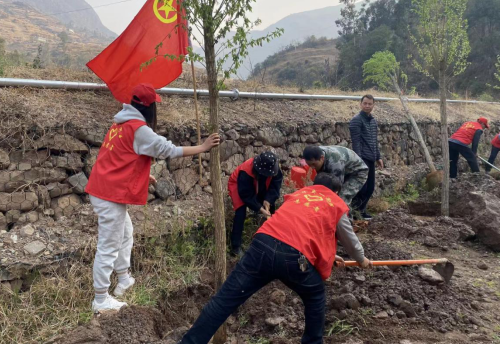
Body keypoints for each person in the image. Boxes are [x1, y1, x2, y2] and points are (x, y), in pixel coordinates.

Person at [179, 173, 371, 344]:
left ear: (314, 185)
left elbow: (297, 229)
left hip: (262, 244)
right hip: (293, 257)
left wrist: (328, 254)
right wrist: (361, 259)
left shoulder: (299, 195)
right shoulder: (335, 203)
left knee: (225, 299)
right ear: (336, 192)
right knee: (315, 296)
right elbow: (349, 239)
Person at [85, 83, 220, 313]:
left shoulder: (120, 124)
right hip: (109, 195)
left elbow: (118, 158)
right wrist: (202, 147)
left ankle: (123, 278)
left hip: (103, 188)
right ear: (149, 108)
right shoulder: (139, 129)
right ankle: (100, 299)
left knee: (125, 232)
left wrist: (142, 176)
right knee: (108, 245)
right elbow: (169, 150)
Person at [228, 151, 283, 257]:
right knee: (240, 213)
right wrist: (260, 208)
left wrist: (268, 200)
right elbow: (246, 194)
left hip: (259, 180)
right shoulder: (246, 171)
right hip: (238, 184)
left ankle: (271, 239)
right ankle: (235, 247)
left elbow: (275, 186)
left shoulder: (274, 168)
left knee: (270, 208)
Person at [349, 95, 383, 220]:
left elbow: (374, 141)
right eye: (365, 103)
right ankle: (355, 213)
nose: (367, 106)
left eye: (370, 104)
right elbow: (356, 142)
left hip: (371, 158)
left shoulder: (373, 121)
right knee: (362, 188)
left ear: (373, 105)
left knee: (370, 188)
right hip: (362, 158)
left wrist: (378, 157)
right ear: (361, 104)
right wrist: (359, 160)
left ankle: (362, 212)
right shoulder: (356, 120)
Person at [302, 145, 368, 208]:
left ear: (322, 158)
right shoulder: (314, 153)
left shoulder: (335, 163)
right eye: (309, 165)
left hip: (358, 172)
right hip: (344, 168)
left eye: (314, 164)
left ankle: (345, 215)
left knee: (341, 198)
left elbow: (336, 188)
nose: (312, 167)